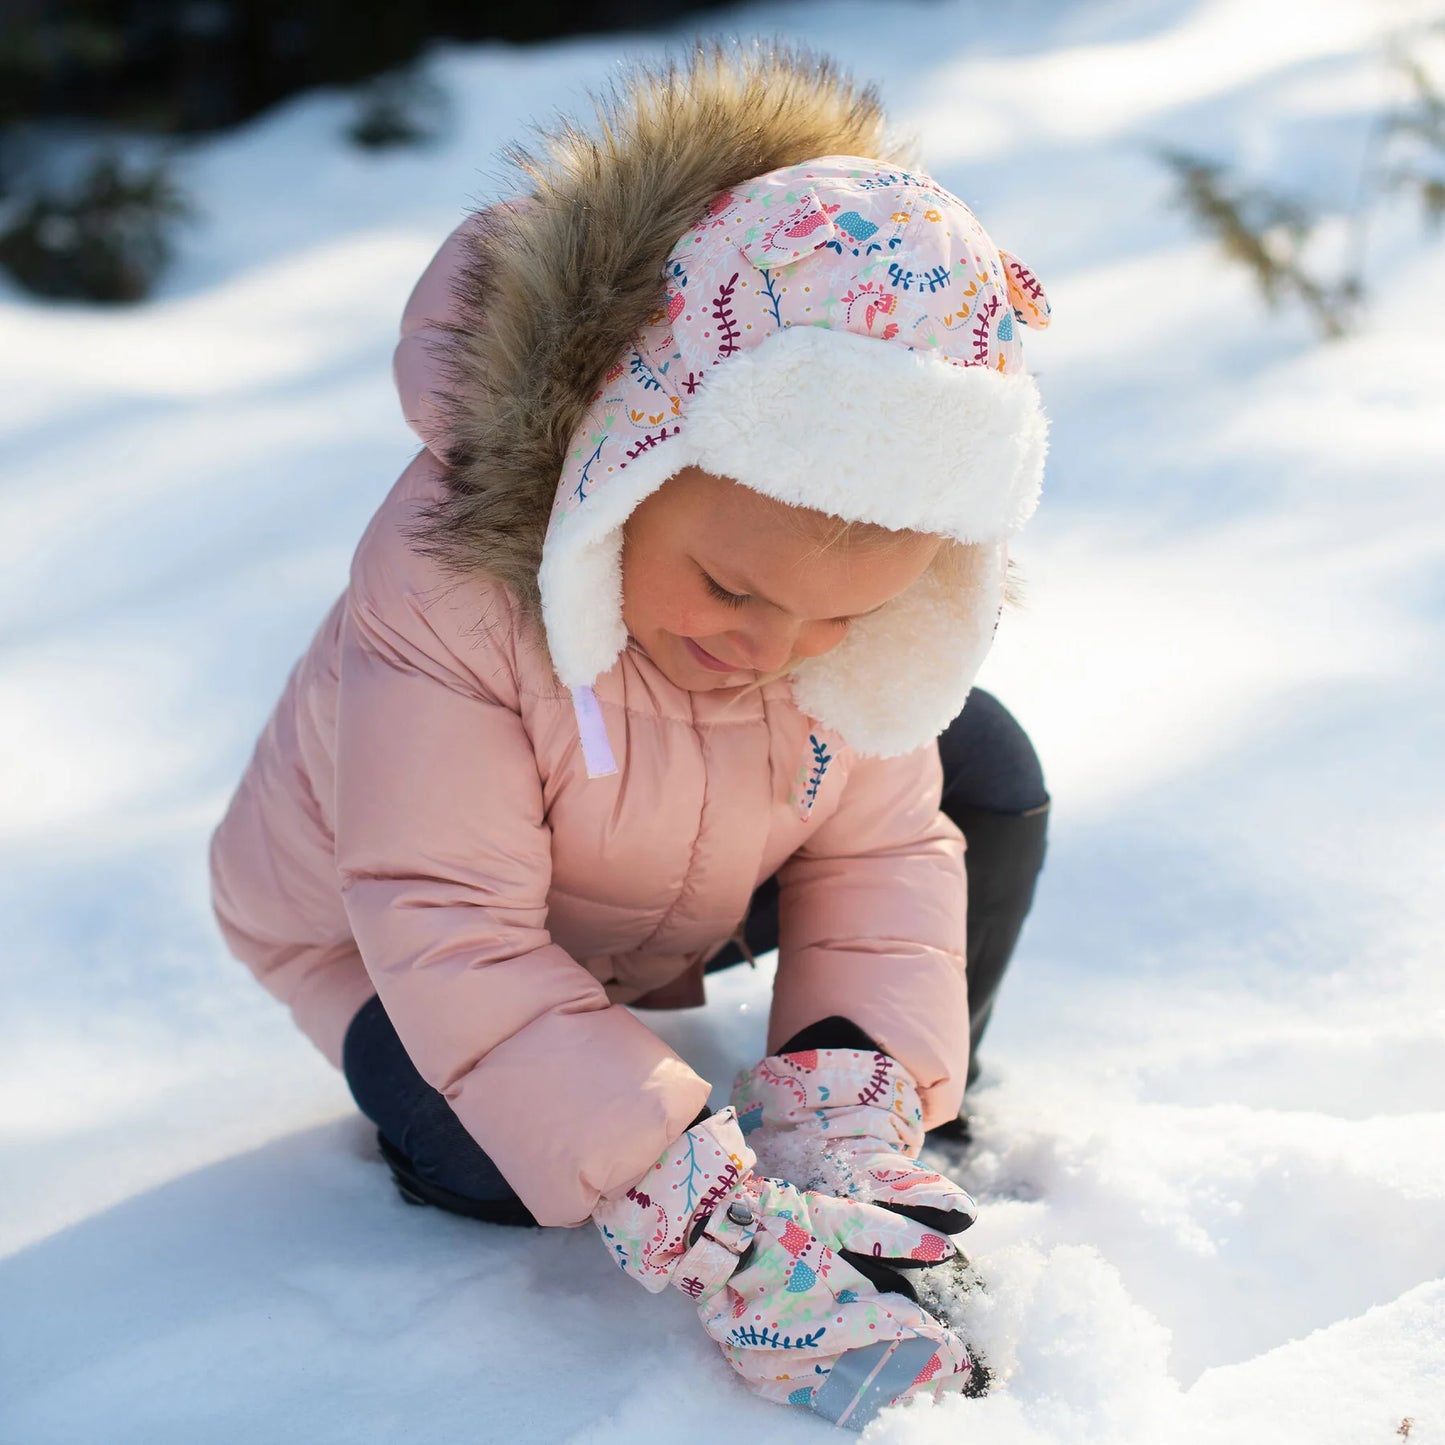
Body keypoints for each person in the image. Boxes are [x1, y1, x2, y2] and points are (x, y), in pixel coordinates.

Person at [208, 45, 1052, 1426]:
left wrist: (845, 1118)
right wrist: (711, 1221)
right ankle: (633, 1145)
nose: (771, 647)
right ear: (623, 454)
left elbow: (879, 848)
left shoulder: (832, 629)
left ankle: (879, 1126)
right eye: (730, 587)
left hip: (665, 870)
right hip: (395, 936)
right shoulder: (449, 590)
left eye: (840, 617)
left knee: (978, 769)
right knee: (505, 1159)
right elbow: (450, 925)